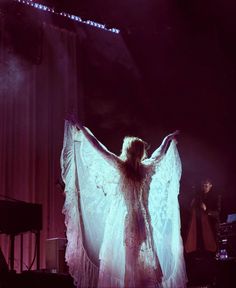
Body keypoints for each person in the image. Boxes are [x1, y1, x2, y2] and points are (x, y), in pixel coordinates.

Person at [61, 117, 187, 288]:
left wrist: (83, 129)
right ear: (141, 153)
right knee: (143, 264)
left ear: (127, 151)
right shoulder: (146, 168)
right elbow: (159, 153)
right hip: (144, 222)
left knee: (131, 265)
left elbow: (100, 149)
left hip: (132, 223)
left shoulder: (122, 167)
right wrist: (168, 138)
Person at [185, 178, 218, 258]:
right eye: (203, 186)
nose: (204, 188)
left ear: (211, 186)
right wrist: (192, 204)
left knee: (211, 247)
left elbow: (217, 213)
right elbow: (191, 211)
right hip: (200, 226)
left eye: (206, 186)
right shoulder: (199, 196)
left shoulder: (216, 197)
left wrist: (206, 209)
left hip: (212, 226)